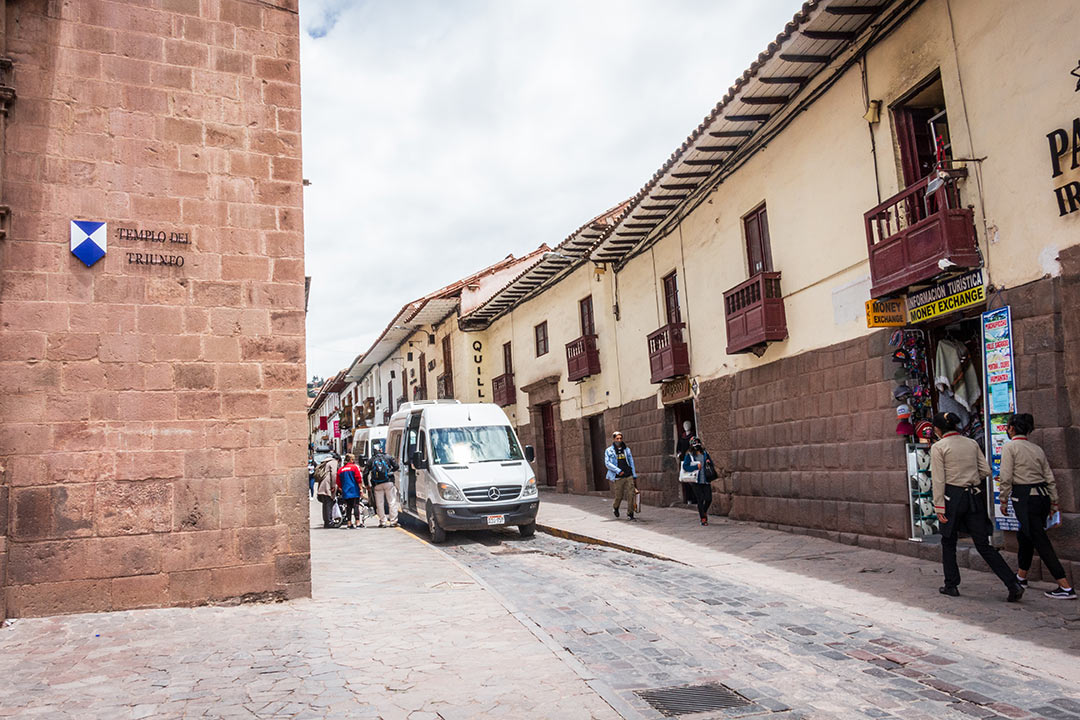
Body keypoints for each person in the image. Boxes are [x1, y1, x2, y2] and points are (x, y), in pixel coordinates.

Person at [931, 412, 1023, 601]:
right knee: (983, 544)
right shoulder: (971, 443)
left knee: (948, 542)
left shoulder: (939, 447)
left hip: (952, 497)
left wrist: (939, 506)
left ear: (938, 429)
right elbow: (986, 471)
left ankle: (951, 584)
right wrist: (970, 479)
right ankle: (1012, 583)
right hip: (974, 496)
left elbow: (939, 479)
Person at [998, 413, 1075, 600]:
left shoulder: (1010, 447)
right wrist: (1054, 501)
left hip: (1025, 499)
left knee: (1039, 539)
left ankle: (1064, 585)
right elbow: (1048, 475)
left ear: (1012, 429)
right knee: (1025, 536)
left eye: (1008, 427)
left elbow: (1006, 476)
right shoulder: (1036, 449)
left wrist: (1003, 499)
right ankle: (1021, 576)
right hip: (1043, 497)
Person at [364, 446, 401, 528]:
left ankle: (382, 522)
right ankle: (393, 521)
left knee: (379, 503)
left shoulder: (371, 460)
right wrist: (390, 472)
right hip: (388, 482)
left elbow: (365, 473)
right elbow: (396, 466)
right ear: (381, 450)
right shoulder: (387, 457)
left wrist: (367, 485)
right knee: (392, 501)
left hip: (377, 485)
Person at [605, 431, 637, 520]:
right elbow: (607, 463)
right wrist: (618, 471)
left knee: (631, 494)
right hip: (618, 476)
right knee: (619, 496)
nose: (619, 440)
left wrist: (634, 474)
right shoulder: (609, 450)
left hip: (628, 475)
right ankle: (615, 507)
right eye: (617, 438)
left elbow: (631, 462)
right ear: (614, 439)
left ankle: (630, 514)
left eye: (620, 438)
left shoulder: (626, 450)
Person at [681, 437, 714, 526]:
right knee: (700, 499)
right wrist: (695, 467)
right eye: (694, 443)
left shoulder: (705, 453)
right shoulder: (690, 455)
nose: (697, 445)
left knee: (708, 499)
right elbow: (685, 466)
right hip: (696, 481)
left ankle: (703, 511)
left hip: (706, 480)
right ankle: (703, 518)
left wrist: (708, 462)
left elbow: (711, 463)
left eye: (697, 443)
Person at [336, 454, 364, 529]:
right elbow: (358, 479)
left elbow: (338, 482)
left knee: (348, 507)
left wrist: (342, 489)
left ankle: (349, 523)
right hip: (354, 490)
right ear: (351, 460)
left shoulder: (341, 469)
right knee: (356, 506)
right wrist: (361, 489)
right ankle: (357, 522)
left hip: (346, 491)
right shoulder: (354, 468)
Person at [314, 455, 339, 528]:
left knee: (325, 505)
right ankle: (329, 522)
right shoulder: (333, 462)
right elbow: (334, 474)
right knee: (329, 504)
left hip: (322, 485)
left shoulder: (325, 462)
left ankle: (326, 521)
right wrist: (333, 485)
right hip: (328, 485)